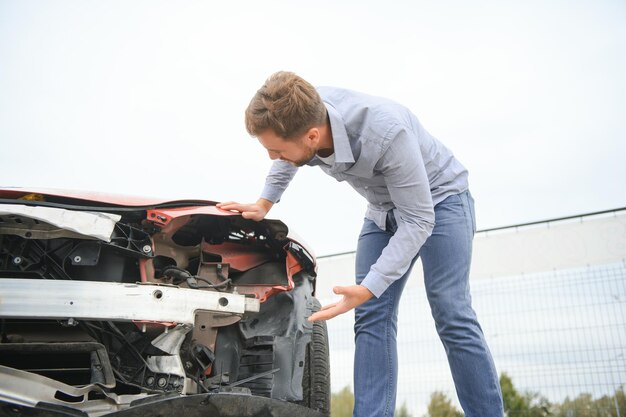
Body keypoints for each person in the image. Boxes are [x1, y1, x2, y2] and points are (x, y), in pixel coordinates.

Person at [217, 71, 504, 417]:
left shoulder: (385, 132)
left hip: (441, 203)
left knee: (450, 310)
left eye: (275, 150)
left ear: (312, 136)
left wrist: (370, 286)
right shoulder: (300, 110)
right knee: (370, 315)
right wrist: (265, 202)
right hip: (383, 210)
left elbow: (418, 220)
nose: (272, 157)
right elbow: (285, 157)